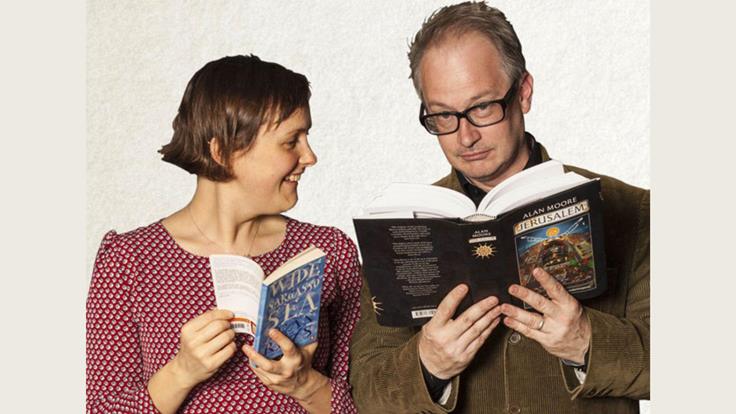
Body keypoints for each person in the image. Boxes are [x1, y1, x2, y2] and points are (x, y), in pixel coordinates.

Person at [349, 2, 649, 413]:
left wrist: (587, 341)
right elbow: (366, 390)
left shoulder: (632, 208)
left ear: (523, 92)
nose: (465, 136)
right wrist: (428, 365)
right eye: (442, 115)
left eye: (482, 107)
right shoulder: (404, 223)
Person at [86, 55, 361, 414]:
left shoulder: (328, 252)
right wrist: (182, 372)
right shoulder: (128, 261)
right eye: (291, 141)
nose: (310, 156)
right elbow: (103, 409)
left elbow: (373, 401)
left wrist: (303, 384)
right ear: (224, 152)